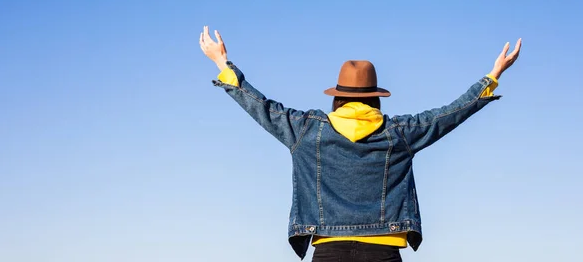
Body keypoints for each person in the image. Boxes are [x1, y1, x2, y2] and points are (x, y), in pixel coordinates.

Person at [199, 26, 521, 261]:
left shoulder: (307, 130)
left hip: (328, 253)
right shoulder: (398, 133)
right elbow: (447, 115)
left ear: (338, 97)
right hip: (383, 254)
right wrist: (491, 77)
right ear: (375, 98)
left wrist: (223, 65)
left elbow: (264, 108)